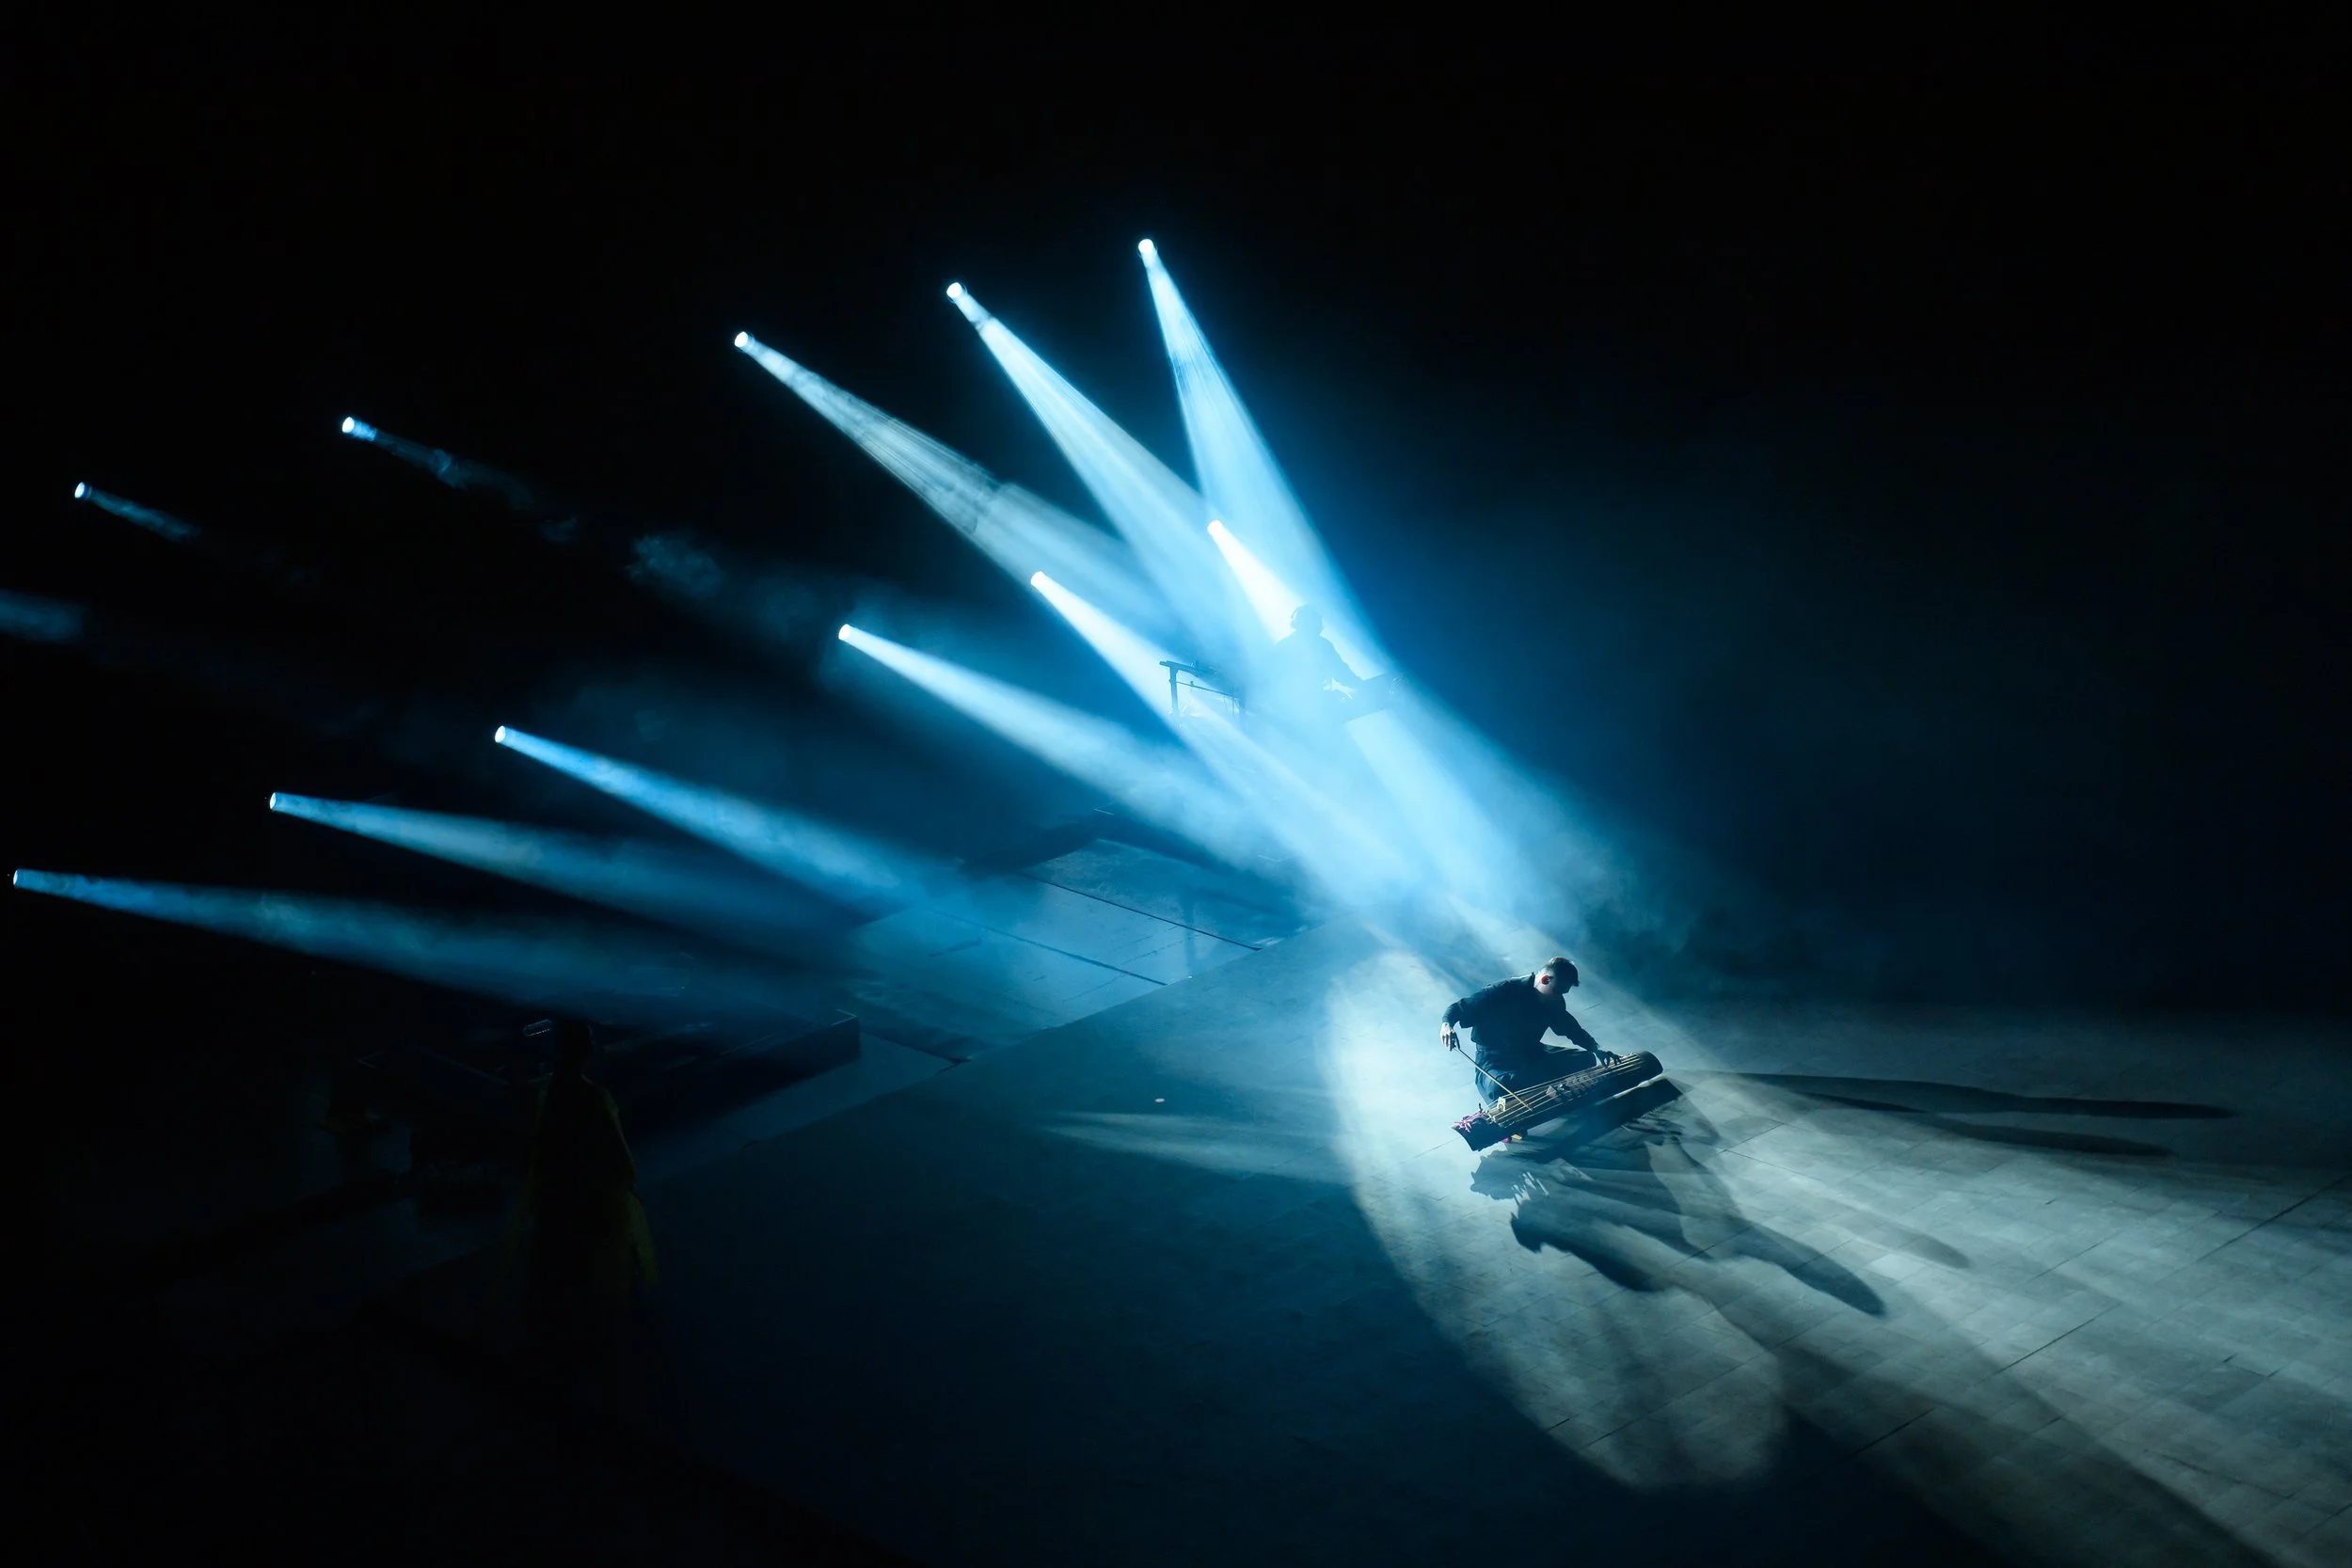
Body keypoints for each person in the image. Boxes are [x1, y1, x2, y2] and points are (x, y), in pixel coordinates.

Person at [500, 1019, 656, 1338]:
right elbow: (614, 1147)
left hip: (561, 1191)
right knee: (603, 1254)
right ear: (584, 1049)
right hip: (595, 1192)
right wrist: (626, 1177)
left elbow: (544, 1145)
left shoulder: (552, 1092)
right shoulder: (594, 1097)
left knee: (562, 1255)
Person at [1440, 957, 1617, 1111]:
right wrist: (1447, 1025)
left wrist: (1597, 1049)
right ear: (1545, 979)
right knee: (1499, 1088)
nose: (1558, 997)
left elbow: (1572, 1029)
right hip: (1496, 1059)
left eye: (1562, 993)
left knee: (1586, 1059)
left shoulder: (1554, 1001)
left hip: (1532, 1053)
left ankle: (1546, 1088)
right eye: (1557, 991)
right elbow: (1459, 1008)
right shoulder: (1504, 989)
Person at [1257, 604, 1391, 729]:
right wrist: (1362, 687)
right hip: (1304, 709)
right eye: (1314, 624)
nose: (1318, 628)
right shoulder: (1318, 645)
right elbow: (1341, 673)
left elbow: (1341, 672)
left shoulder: (1288, 645)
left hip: (1294, 708)